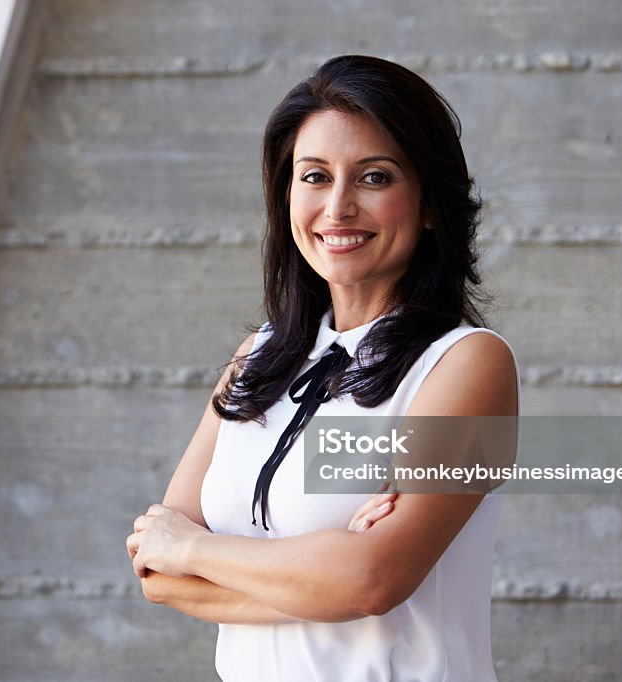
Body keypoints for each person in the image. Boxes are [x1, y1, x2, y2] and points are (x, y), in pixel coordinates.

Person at [125, 55, 520, 681]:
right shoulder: (256, 357)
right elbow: (158, 573)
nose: (337, 208)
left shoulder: (467, 364)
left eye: (374, 178)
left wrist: (198, 547)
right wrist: (324, 573)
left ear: (428, 204)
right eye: (314, 177)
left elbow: (371, 580)